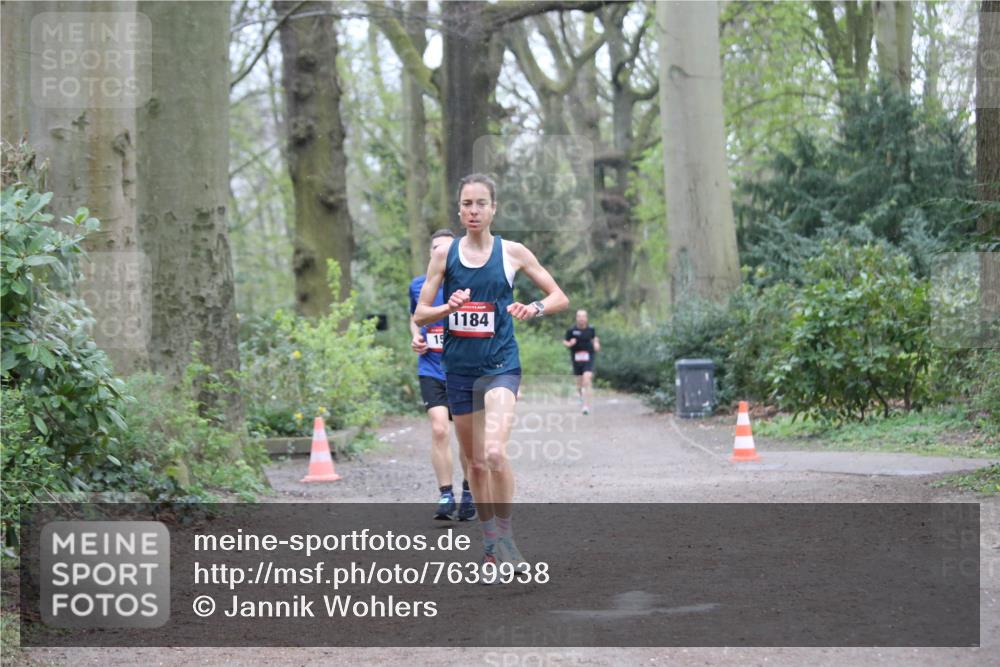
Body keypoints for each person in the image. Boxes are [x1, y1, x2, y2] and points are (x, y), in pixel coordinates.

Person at [414, 173, 568, 574]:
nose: (473, 210)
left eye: (481, 203)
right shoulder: (444, 255)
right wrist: (449, 308)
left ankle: (507, 536)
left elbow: (558, 296)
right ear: (459, 209)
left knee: (495, 452)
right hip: (458, 371)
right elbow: (420, 314)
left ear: (493, 208)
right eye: (467, 204)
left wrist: (532, 308)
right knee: (475, 464)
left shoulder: (512, 252)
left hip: (500, 366)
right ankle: (489, 544)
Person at [409, 230, 476, 521]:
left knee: (465, 436)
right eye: (437, 248)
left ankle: (469, 492)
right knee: (439, 429)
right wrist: (415, 338)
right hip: (431, 368)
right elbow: (415, 319)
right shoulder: (418, 285)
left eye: (448, 249)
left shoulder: (470, 283)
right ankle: (446, 494)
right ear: (431, 253)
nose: (442, 254)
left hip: (463, 370)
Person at [563, 309, 600, 415]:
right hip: (576, 358)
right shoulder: (571, 330)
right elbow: (565, 341)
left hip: (589, 357)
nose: (581, 318)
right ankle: (580, 396)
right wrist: (569, 343)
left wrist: (596, 344)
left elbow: (595, 339)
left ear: (586, 318)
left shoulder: (591, 329)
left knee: (587, 379)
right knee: (579, 384)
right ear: (576, 318)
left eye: (583, 316)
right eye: (579, 316)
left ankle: (586, 406)